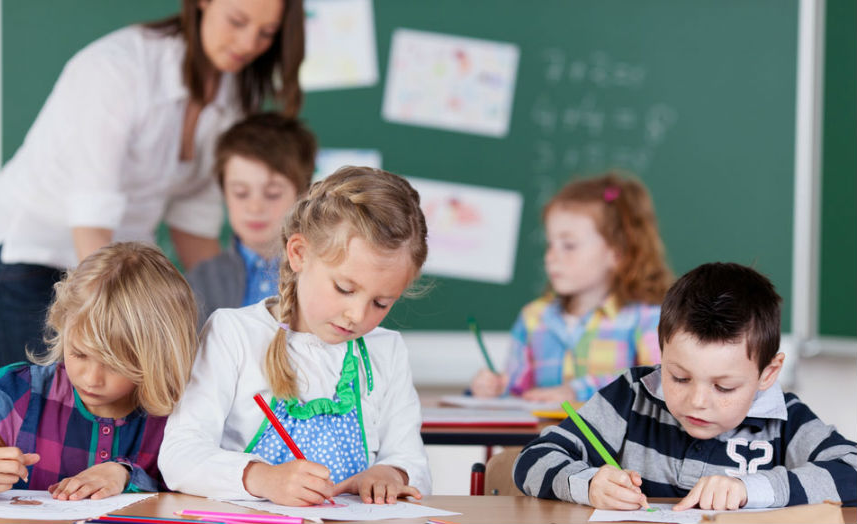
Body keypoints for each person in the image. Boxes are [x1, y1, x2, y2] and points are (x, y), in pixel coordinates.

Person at [0, 0, 305, 367]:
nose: (248, 44)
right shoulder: (117, 70)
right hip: (35, 257)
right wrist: (135, 326)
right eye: (237, 21)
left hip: (121, 261)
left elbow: (193, 224)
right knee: (53, 396)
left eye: (266, 33)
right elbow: (91, 224)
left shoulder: (236, 93)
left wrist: (236, 330)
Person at [159, 167, 432, 506]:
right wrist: (262, 479)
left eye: (381, 303)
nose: (358, 315)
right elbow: (179, 456)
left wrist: (391, 474)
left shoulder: (385, 350)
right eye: (344, 288)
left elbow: (412, 460)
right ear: (299, 254)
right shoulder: (233, 334)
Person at [513, 262, 857, 510]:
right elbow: (533, 459)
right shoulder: (631, 395)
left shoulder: (785, 421)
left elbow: (852, 469)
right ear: (662, 350)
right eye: (679, 377)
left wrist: (749, 489)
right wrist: (588, 485)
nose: (697, 401)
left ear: (768, 373)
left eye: (724, 387)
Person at [0, 242, 199, 499]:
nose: (91, 379)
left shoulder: (182, 411)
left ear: (160, 354)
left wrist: (126, 475)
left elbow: (201, 488)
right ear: (63, 326)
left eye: (116, 364)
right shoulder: (20, 392)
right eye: (79, 354)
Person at [470, 172, 673, 403]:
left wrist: (577, 391)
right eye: (550, 244)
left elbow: (658, 381)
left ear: (616, 253)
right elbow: (517, 389)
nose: (550, 257)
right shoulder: (533, 318)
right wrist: (496, 388)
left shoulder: (646, 318)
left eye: (569, 245)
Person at [186, 112, 316, 329]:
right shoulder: (198, 283)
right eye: (241, 193)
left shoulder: (325, 274)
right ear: (224, 193)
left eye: (272, 194)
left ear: (303, 194)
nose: (255, 207)